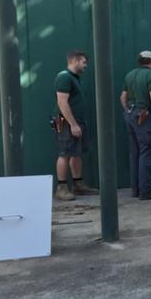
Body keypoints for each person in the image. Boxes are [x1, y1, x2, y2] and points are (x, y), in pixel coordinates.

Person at [120, 50, 151, 200]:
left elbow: (122, 97)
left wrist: (128, 111)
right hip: (144, 117)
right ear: (150, 61)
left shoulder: (129, 75)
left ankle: (136, 189)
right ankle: (146, 190)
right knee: (147, 151)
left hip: (130, 116)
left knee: (135, 153)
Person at [52, 50, 99, 201]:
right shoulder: (64, 77)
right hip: (67, 123)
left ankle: (78, 185)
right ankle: (61, 188)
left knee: (76, 153)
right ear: (75, 61)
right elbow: (62, 102)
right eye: (84, 62)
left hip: (78, 122)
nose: (86, 65)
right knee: (65, 153)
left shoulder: (75, 78)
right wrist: (72, 124)